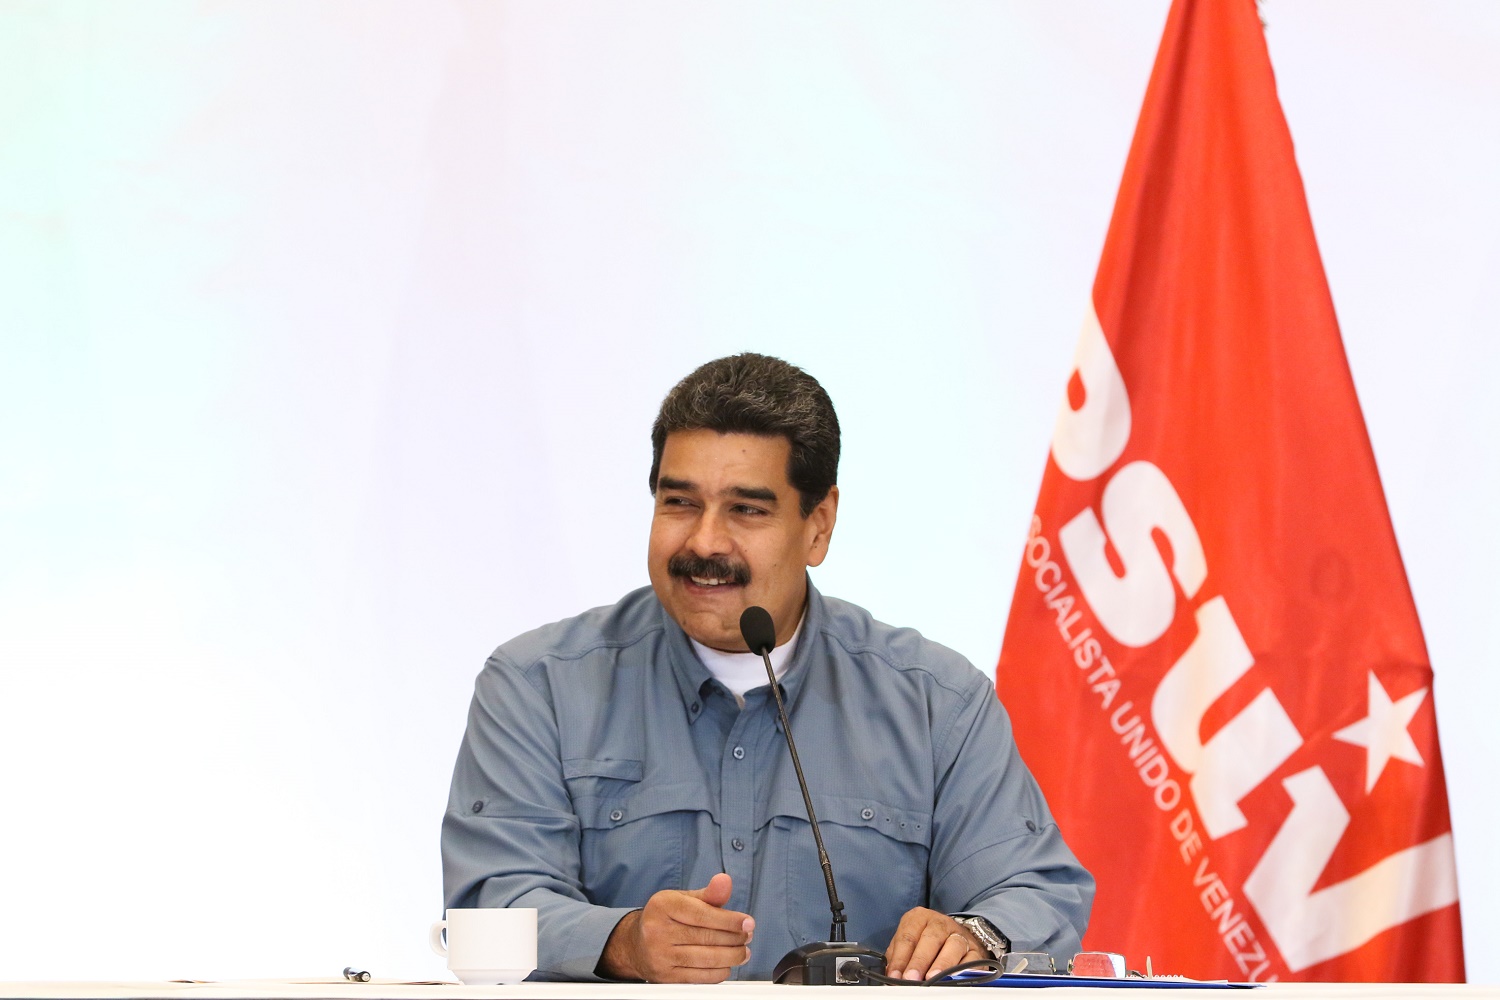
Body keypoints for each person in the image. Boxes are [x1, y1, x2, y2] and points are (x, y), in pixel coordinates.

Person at [441, 353, 1093, 983]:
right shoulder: (538, 688)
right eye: (679, 503)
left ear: (818, 527)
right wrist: (623, 942)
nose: (703, 542)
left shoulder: (935, 703)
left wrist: (975, 935)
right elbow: (490, 898)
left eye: (746, 510)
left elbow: (1036, 892)